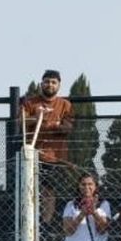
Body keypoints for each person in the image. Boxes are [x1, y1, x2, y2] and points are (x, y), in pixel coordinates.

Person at [18, 69, 73, 223]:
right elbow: (21, 121)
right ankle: (29, 221)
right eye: (47, 81)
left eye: (53, 82)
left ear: (59, 85)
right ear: (41, 83)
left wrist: (52, 125)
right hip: (32, 154)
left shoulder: (65, 105)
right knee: (30, 189)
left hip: (54, 156)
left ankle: (46, 223)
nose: (50, 85)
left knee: (49, 190)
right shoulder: (30, 103)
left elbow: (68, 127)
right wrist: (38, 119)